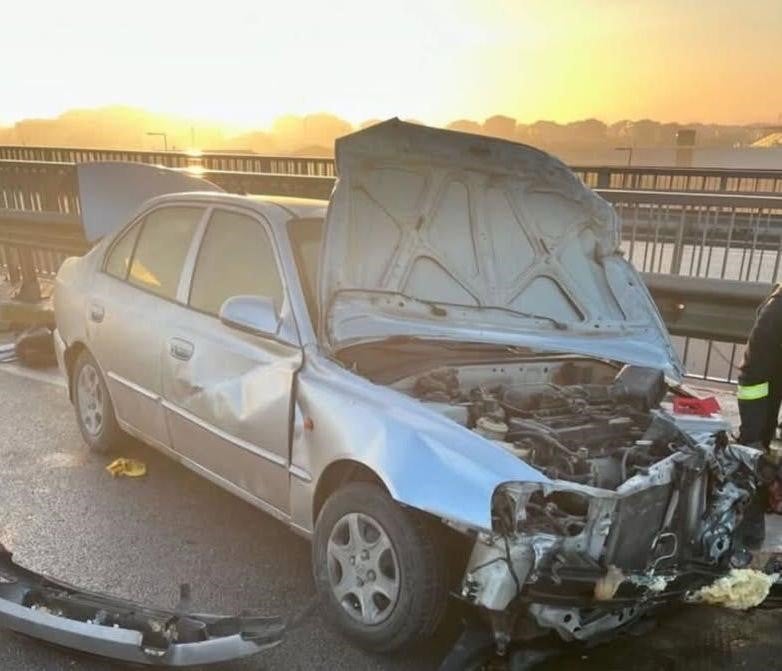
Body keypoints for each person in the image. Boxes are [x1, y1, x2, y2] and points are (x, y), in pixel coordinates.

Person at [737, 284, 782, 449]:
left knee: (762, 434)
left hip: (769, 377)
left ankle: (757, 456)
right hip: (757, 379)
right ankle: (750, 459)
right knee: (754, 439)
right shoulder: (776, 309)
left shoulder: (776, 304)